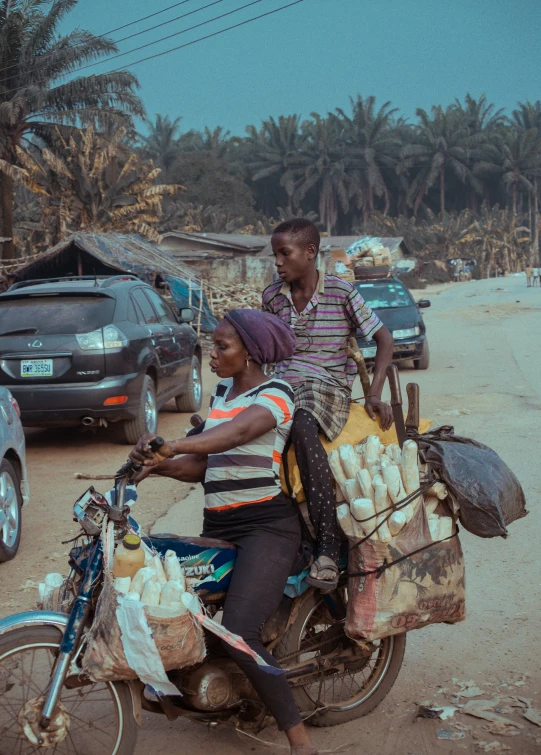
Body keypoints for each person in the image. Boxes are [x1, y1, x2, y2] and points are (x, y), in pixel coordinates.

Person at [130, 308, 319, 755]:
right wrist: (155, 468)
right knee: (187, 601)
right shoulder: (220, 393)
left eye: (222, 346)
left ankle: (299, 740)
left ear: (250, 353)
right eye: (212, 345)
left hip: (266, 527)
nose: (212, 354)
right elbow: (203, 464)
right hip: (219, 522)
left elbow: (235, 435)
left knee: (238, 629)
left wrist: (172, 442)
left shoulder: (277, 394)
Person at [262, 218, 394, 591]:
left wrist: (374, 393)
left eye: (284, 254)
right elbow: (266, 354)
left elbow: (384, 339)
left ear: (309, 253)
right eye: (275, 255)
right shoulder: (272, 297)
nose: (278, 262)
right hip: (283, 385)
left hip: (327, 386)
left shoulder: (341, 292)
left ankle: (327, 544)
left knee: (301, 424)